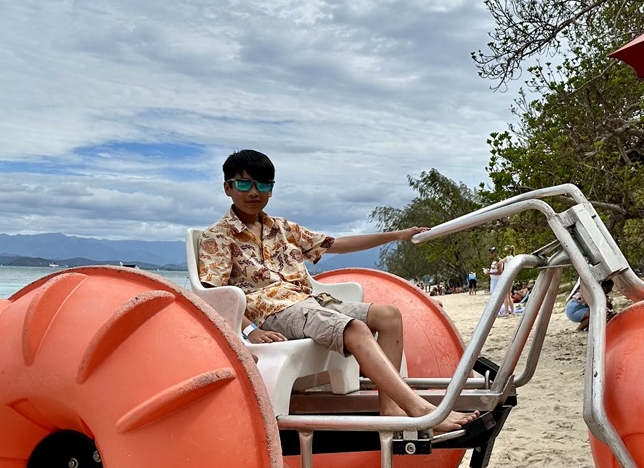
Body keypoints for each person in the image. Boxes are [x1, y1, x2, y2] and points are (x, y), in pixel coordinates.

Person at [196, 149, 477, 434]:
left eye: (263, 184)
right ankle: (420, 408)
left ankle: (390, 406)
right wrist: (250, 329)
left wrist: (396, 235)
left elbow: (338, 245)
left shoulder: (282, 228)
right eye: (244, 184)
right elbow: (216, 295)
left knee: (389, 316)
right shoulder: (217, 236)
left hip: (309, 301)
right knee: (354, 330)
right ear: (227, 187)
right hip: (273, 311)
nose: (254, 192)